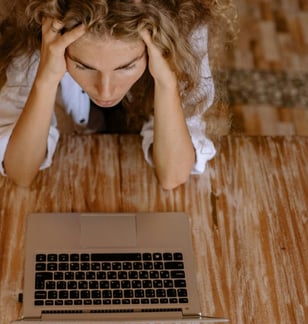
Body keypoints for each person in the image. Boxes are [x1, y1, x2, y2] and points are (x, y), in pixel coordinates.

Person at [0, 0, 236, 189]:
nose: (106, 90)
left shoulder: (184, 30)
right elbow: (20, 173)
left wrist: (167, 84)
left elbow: (172, 176)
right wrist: (45, 80)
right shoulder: (41, 31)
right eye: (84, 66)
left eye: (126, 67)